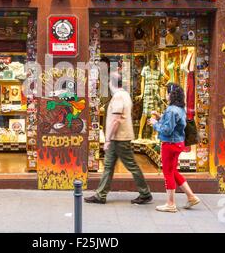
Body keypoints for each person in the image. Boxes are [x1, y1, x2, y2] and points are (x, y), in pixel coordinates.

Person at [85, 72, 153, 205]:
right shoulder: (126, 95)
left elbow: (116, 120)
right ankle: (101, 194)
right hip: (119, 137)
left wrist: (108, 139)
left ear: (111, 83)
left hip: (120, 138)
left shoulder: (118, 97)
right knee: (109, 166)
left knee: (131, 165)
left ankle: (145, 193)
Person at [149, 83, 200, 213]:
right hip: (178, 143)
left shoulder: (171, 109)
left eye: (167, 93)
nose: (165, 95)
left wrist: (155, 124)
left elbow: (167, 129)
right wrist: (160, 117)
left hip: (170, 145)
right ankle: (191, 196)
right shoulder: (179, 108)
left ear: (171, 95)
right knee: (173, 171)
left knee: (168, 173)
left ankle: (171, 203)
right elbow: (174, 124)